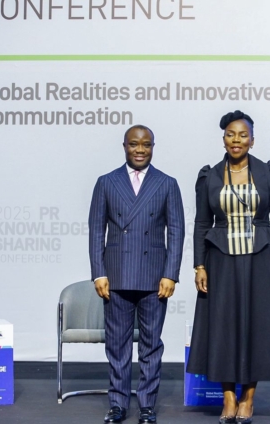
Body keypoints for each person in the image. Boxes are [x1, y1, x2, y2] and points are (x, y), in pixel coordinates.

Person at [186, 111, 270, 424]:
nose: (236, 140)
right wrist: (199, 265)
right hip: (221, 260)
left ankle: (248, 398)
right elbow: (201, 222)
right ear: (223, 139)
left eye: (243, 135)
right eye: (231, 135)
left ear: (252, 140)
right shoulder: (209, 176)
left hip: (262, 258)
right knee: (222, 326)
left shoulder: (268, 173)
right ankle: (228, 397)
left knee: (258, 326)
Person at [89, 124, 185, 424]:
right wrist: (98, 273)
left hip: (154, 277)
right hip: (116, 275)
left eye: (146, 144)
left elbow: (176, 232)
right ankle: (117, 403)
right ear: (124, 146)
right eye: (134, 144)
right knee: (117, 345)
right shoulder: (106, 182)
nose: (140, 149)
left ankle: (146, 405)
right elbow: (96, 230)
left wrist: (171, 274)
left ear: (153, 147)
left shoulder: (167, 183)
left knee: (151, 344)